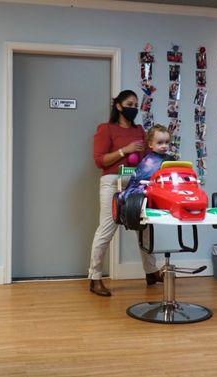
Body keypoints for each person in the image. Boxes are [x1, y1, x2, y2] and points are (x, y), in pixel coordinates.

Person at [89, 90, 162, 296]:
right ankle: (94, 278)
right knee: (107, 229)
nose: (134, 107)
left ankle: (151, 272)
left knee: (145, 227)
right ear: (119, 106)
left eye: (136, 104)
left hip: (137, 184)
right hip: (113, 183)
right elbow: (100, 161)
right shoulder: (106, 129)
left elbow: (147, 158)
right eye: (130, 103)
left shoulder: (140, 130)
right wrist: (125, 150)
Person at [122, 124, 173, 201]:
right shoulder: (148, 162)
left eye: (166, 142)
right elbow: (139, 180)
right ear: (150, 144)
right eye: (160, 143)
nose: (164, 146)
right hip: (148, 190)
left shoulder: (171, 159)